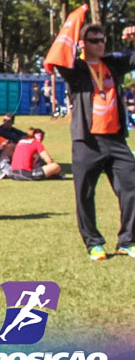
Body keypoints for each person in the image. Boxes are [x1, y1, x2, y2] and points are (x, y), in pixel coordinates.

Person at [47, 23, 135, 261]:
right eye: (94, 40)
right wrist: (71, 33)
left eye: (102, 39)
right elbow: (56, 57)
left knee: (131, 187)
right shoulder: (76, 68)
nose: (100, 44)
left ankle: (128, 240)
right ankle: (93, 243)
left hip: (115, 139)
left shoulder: (113, 64)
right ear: (84, 44)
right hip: (87, 141)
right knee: (85, 193)